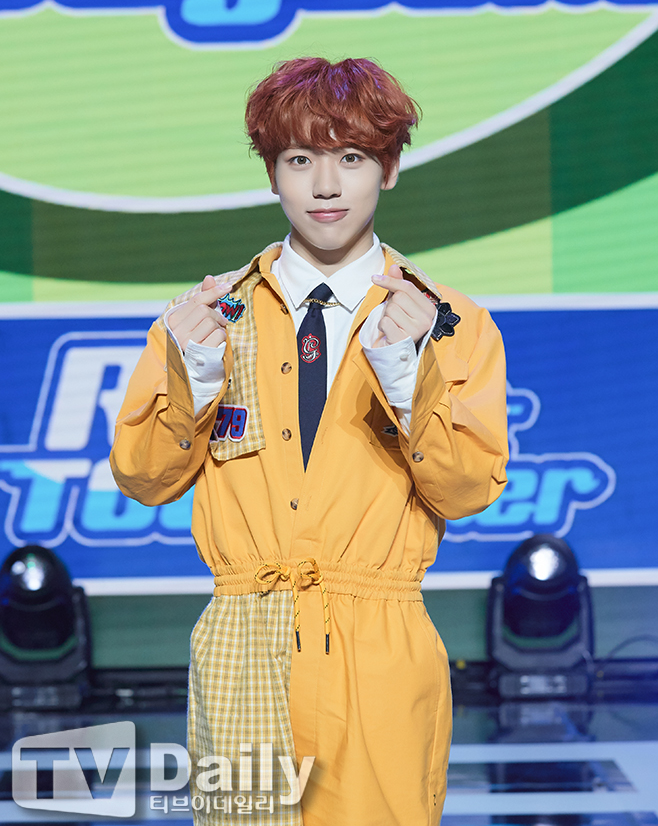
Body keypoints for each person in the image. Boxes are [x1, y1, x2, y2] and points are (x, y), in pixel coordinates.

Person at [110, 57, 508, 826]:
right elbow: (143, 478)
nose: (326, 185)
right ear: (272, 174)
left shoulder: (449, 324)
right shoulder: (207, 317)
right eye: (300, 160)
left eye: (351, 157)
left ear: (389, 168)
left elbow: (466, 491)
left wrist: (408, 378)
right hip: (244, 643)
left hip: (381, 652)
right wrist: (193, 378)